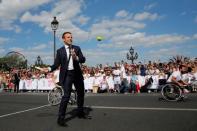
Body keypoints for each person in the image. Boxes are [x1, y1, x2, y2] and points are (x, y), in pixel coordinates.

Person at [42, 32, 86, 126]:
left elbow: (83, 59)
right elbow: (56, 64)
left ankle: (80, 112)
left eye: (71, 37)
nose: (70, 38)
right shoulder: (60, 51)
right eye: (68, 37)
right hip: (67, 75)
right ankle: (61, 118)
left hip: (77, 74)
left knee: (81, 94)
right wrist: (49, 69)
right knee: (66, 96)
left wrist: (76, 57)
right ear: (63, 39)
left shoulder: (77, 48)